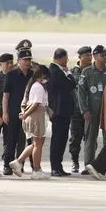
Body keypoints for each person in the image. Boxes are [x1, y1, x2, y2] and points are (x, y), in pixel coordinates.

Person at [11, 65, 50, 179]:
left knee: (35, 144)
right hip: (36, 116)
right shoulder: (38, 86)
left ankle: (18, 162)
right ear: (42, 75)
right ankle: (36, 170)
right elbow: (36, 103)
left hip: (36, 115)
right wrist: (25, 115)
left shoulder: (34, 85)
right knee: (38, 144)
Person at [76, 45, 106, 173]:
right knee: (90, 138)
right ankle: (89, 165)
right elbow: (81, 93)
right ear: (95, 56)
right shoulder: (87, 72)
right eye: (102, 55)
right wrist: (84, 110)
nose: (105, 58)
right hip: (92, 110)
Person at [2, 48, 33, 175]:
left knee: (28, 140)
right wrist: (5, 113)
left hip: (29, 112)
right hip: (14, 112)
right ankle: (7, 165)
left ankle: (22, 164)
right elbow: (6, 95)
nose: (27, 62)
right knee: (11, 140)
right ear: (19, 61)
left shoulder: (33, 75)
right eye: (24, 60)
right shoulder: (11, 75)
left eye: (29, 60)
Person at [48, 48, 78, 177]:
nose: (67, 61)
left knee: (62, 139)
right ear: (60, 58)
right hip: (59, 111)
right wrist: (69, 73)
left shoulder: (58, 71)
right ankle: (55, 167)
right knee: (57, 139)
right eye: (66, 59)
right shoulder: (56, 71)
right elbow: (71, 84)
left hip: (64, 111)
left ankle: (58, 166)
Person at [68, 46, 91, 173]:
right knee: (75, 138)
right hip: (76, 111)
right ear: (80, 57)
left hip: (89, 110)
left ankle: (89, 163)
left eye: (90, 55)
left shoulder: (93, 71)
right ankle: (74, 161)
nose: (89, 57)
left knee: (89, 138)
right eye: (86, 55)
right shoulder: (73, 72)